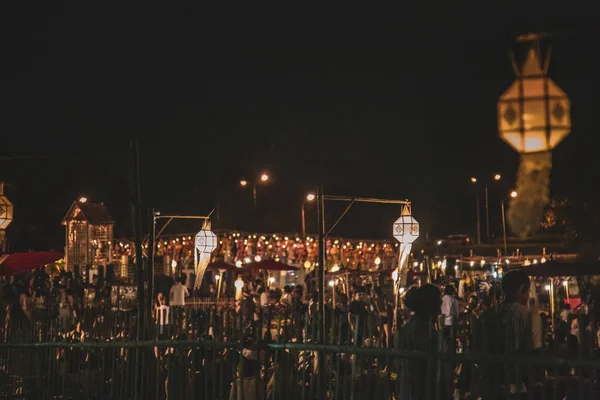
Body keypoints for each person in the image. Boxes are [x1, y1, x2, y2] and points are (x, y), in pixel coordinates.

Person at [476, 269, 532, 398]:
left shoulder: (486, 315)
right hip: (517, 381)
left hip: (491, 380)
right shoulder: (528, 315)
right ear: (523, 290)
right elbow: (535, 350)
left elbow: (477, 346)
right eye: (528, 291)